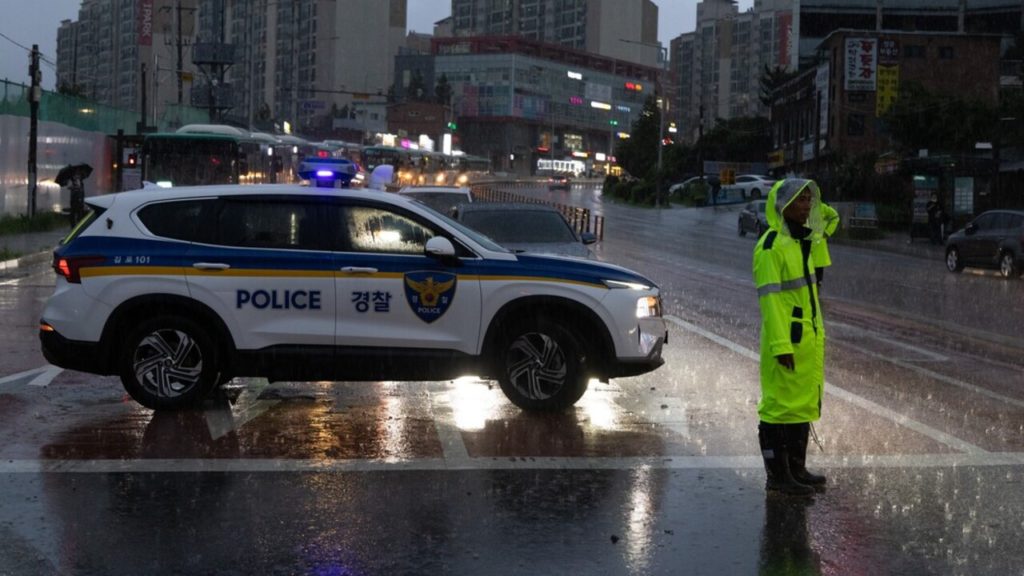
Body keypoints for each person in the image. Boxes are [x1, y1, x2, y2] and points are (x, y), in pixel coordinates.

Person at [752, 178, 828, 496]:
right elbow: (771, 303)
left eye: (809, 199)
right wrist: (782, 344)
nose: (807, 205)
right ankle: (777, 475)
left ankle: (796, 469)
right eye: (800, 200)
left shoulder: (801, 243)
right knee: (777, 408)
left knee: (801, 405)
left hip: (806, 340)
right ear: (784, 206)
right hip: (786, 343)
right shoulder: (771, 247)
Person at [812, 201, 840, 285]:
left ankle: (818, 283)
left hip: (818, 243)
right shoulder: (801, 206)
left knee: (818, 267)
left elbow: (835, 217)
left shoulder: (822, 207)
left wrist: (828, 232)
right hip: (806, 242)